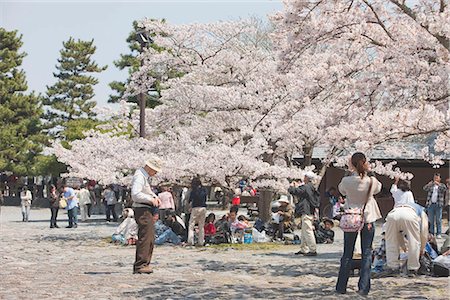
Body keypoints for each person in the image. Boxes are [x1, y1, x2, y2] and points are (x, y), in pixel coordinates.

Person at [335, 152, 382, 296]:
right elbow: (379, 188)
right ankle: (363, 287)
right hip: (367, 218)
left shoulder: (347, 181)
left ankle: (341, 287)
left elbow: (341, 190)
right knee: (367, 253)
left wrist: (349, 172)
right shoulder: (371, 181)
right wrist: (369, 171)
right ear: (365, 163)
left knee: (347, 253)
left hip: (351, 218)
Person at [131, 159, 161, 274]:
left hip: (146, 209)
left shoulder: (143, 177)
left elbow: (146, 191)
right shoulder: (140, 176)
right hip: (142, 209)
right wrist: (150, 199)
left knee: (149, 237)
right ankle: (141, 264)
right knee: (146, 237)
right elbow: (135, 194)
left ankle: (144, 263)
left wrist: (154, 197)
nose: (155, 173)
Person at [383, 202, 429, 277]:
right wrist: (422, 248)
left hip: (392, 214)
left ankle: (393, 267)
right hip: (410, 215)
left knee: (391, 241)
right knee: (414, 242)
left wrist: (403, 246)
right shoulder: (422, 212)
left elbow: (398, 234)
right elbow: (424, 232)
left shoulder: (402, 206)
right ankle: (412, 269)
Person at [289, 172, 320, 256]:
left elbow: (295, 191)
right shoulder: (312, 187)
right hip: (310, 210)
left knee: (307, 230)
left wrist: (291, 186)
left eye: (305, 176)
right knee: (304, 230)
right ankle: (304, 248)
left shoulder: (306, 187)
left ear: (307, 177)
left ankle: (313, 249)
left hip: (306, 211)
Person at [423, 173, 448, 238]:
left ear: (439, 179)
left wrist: (438, 184)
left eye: (437, 178)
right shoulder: (431, 185)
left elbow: (444, 189)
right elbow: (424, 188)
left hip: (438, 204)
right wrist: (429, 184)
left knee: (438, 219)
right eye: (435, 178)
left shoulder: (442, 185)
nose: (435, 179)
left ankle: (438, 233)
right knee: (431, 220)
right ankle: (431, 233)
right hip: (430, 204)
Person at [187, 177, 207, 246]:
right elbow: (205, 198)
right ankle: (201, 242)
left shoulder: (194, 190)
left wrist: (189, 206)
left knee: (191, 225)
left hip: (195, 208)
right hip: (203, 208)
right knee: (201, 226)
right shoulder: (204, 190)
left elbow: (190, 200)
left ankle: (190, 241)